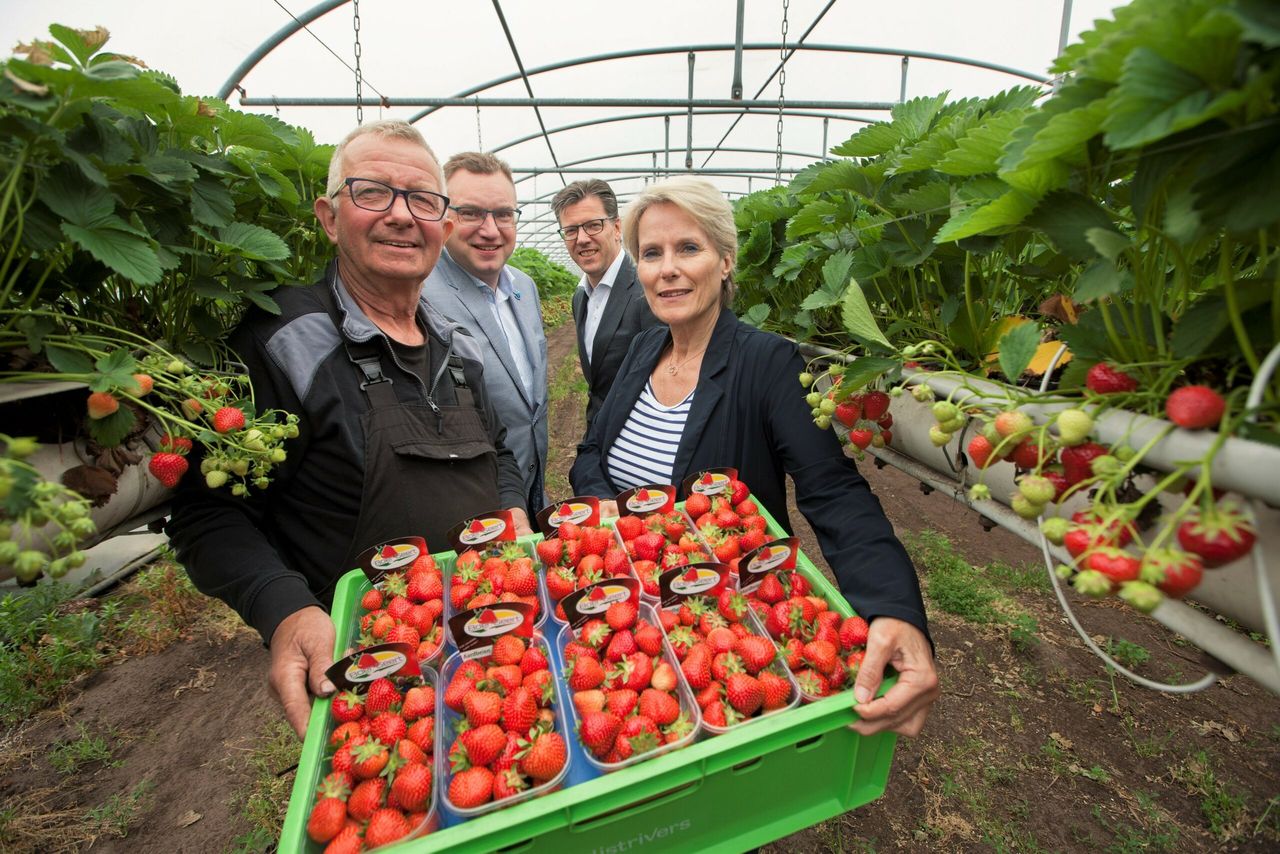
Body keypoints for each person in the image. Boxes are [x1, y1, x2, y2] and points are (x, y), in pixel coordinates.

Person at [168, 121, 532, 738]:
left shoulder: (458, 344)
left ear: (442, 228)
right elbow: (208, 512)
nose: (401, 216)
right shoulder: (281, 341)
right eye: (372, 193)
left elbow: (499, 452)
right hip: (370, 667)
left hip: (492, 638)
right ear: (329, 217)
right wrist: (284, 611)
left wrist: (512, 507)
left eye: (422, 200)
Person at [570, 177, 939, 737]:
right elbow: (592, 448)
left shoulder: (766, 362)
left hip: (723, 624)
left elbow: (833, 490)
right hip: (632, 614)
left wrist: (894, 608)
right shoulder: (644, 348)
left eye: (688, 248)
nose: (667, 268)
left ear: (724, 261)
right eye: (651, 253)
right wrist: (618, 528)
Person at [424, 152, 548, 516]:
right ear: (445, 217)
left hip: (531, 477)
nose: (491, 229)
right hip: (473, 499)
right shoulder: (421, 295)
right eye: (472, 213)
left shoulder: (523, 287)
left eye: (504, 214)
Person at [551, 179, 660, 429]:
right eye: (570, 230)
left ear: (617, 227)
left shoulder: (647, 290)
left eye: (593, 225)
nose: (582, 239)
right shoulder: (580, 297)